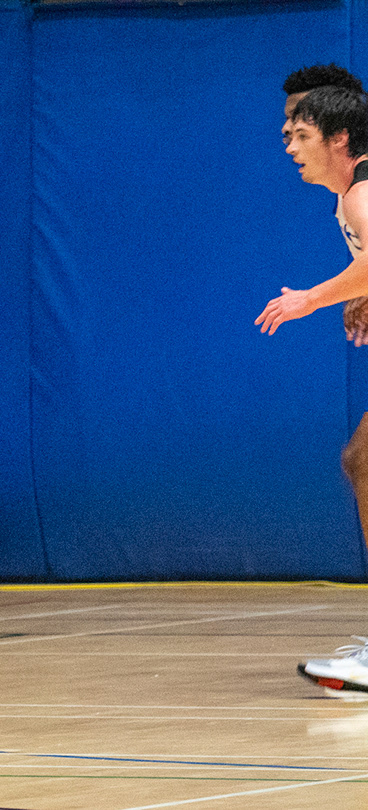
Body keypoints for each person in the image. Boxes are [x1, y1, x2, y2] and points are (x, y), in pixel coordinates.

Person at [253, 85, 368, 695]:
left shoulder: (361, 194)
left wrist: (311, 299)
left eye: (301, 135)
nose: (291, 148)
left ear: (339, 139)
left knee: (365, 460)